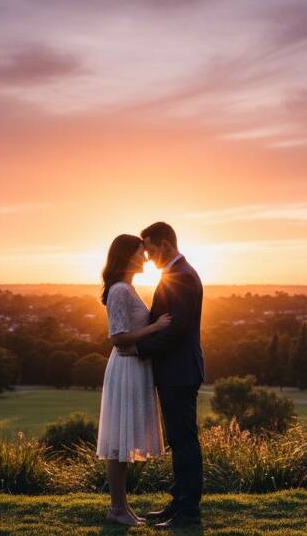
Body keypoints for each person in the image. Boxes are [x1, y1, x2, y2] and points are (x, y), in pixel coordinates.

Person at [118, 221, 205, 529]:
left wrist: (139, 349)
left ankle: (188, 512)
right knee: (179, 441)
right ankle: (178, 503)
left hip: (180, 371)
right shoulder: (176, 274)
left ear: (165, 244)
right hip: (175, 371)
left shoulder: (181, 276)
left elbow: (177, 329)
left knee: (184, 442)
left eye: (151, 248)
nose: (148, 254)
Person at [96, 234, 170, 526]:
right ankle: (116, 509)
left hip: (134, 366)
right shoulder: (119, 291)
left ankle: (122, 509)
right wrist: (156, 328)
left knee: (124, 441)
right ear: (128, 256)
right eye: (142, 252)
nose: (146, 257)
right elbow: (117, 337)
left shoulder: (128, 288)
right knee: (118, 442)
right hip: (125, 368)